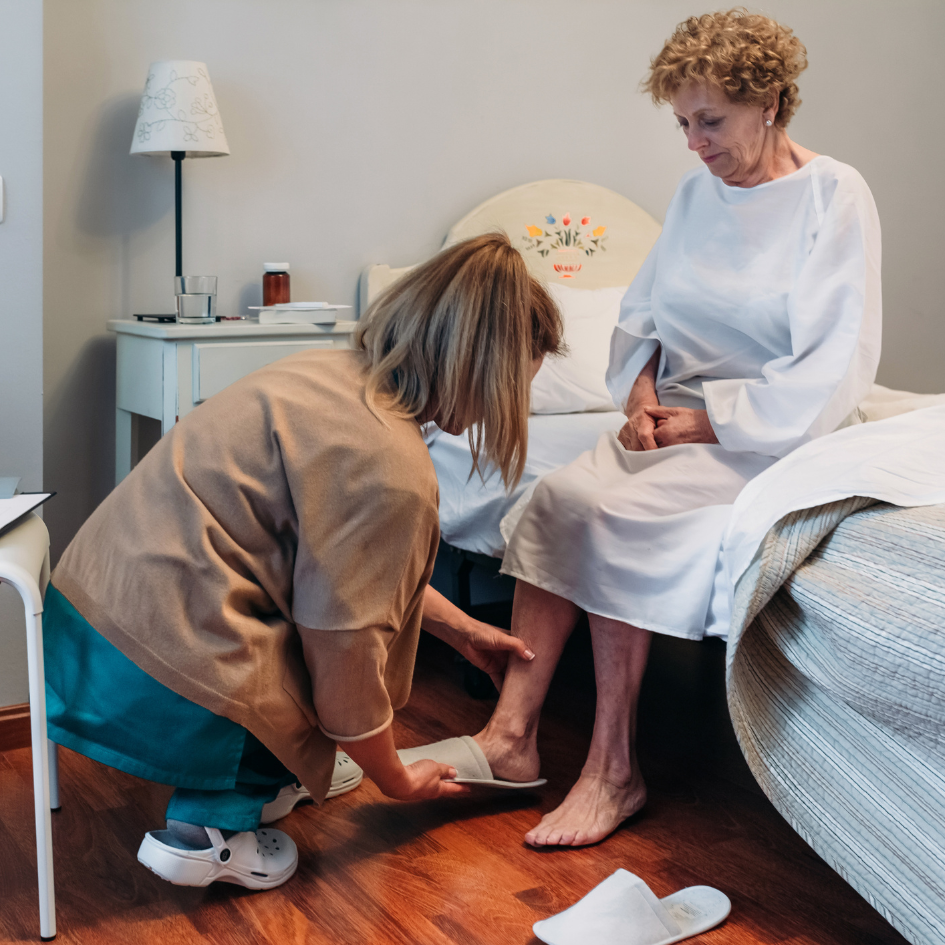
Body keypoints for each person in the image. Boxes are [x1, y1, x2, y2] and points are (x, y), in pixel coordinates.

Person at [454, 10, 881, 847]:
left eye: (709, 121)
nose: (692, 142)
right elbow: (643, 312)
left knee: (617, 518)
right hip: (673, 418)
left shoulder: (833, 195)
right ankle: (510, 736)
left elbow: (834, 362)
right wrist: (640, 394)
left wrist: (706, 423)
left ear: (768, 103)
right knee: (553, 499)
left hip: (767, 429)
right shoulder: (694, 194)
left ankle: (614, 770)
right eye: (682, 122)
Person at [44, 233, 564, 888]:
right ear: (478, 366)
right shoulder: (390, 466)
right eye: (512, 385)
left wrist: (464, 631)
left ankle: (250, 780)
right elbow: (345, 647)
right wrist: (395, 777)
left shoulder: (327, 374)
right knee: (303, 665)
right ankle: (207, 833)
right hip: (156, 669)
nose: (505, 406)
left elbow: (345, 570)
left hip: (82, 633)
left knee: (295, 633)